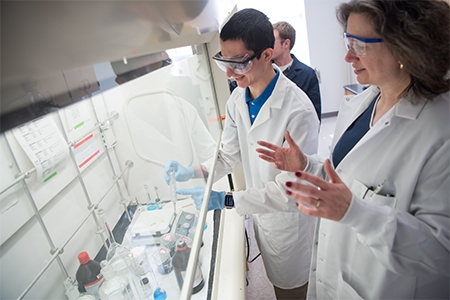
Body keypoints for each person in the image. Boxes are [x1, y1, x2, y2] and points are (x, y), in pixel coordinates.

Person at [256, 0, 450, 299]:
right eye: (348, 42)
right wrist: (307, 164)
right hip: (336, 267)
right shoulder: (365, 100)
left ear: (406, 46)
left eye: (359, 45)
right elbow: (347, 173)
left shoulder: (440, 130)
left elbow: (441, 253)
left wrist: (356, 213)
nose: (347, 56)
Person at [164, 8, 320, 300]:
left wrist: (228, 200)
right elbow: (228, 155)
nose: (229, 73)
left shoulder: (298, 111)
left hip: (288, 224)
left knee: (291, 292)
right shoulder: (238, 99)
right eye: (225, 61)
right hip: (262, 215)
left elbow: (293, 190)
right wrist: (193, 170)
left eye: (239, 63)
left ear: (266, 55)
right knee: (275, 284)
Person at [272, 21, 322, 122]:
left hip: (296, 132)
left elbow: (314, 115)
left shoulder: (308, 74)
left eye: (272, 42)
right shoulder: (263, 72)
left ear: (286, 43)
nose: (268, 47)